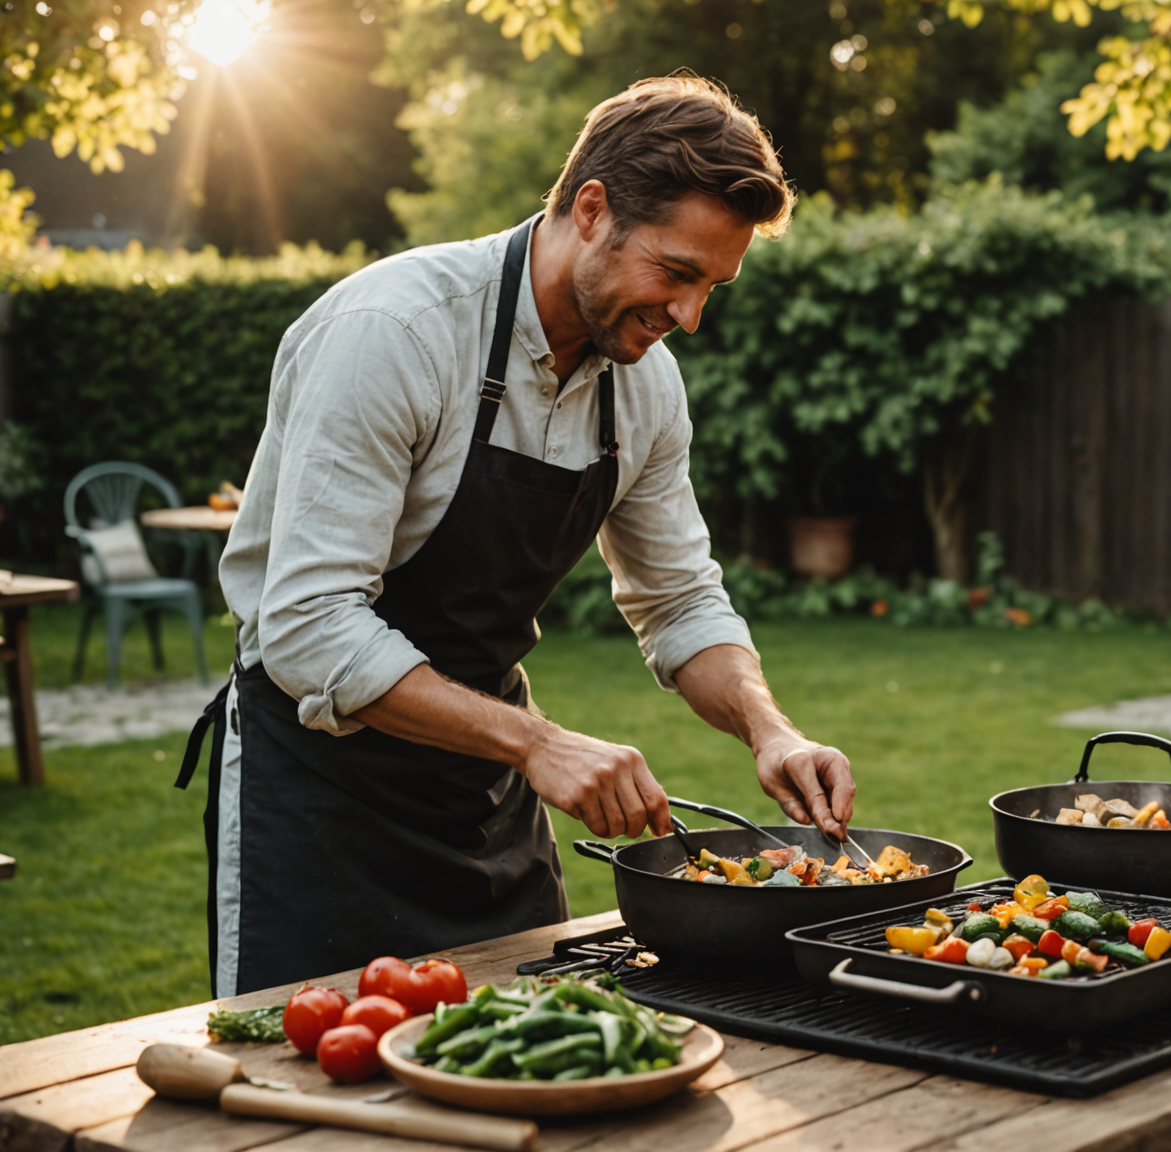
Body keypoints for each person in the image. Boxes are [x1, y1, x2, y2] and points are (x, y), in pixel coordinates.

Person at [179, 76, 858, 997]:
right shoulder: (397, 332)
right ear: (591, 209)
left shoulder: (646, 388)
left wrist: (768, 729)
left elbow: (681, 600)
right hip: (320, 797)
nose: (690, 316)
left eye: (714, 287)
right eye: (677, 272)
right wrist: (538, 744)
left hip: (485, 803)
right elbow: (307, 625)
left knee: (528, 1077)